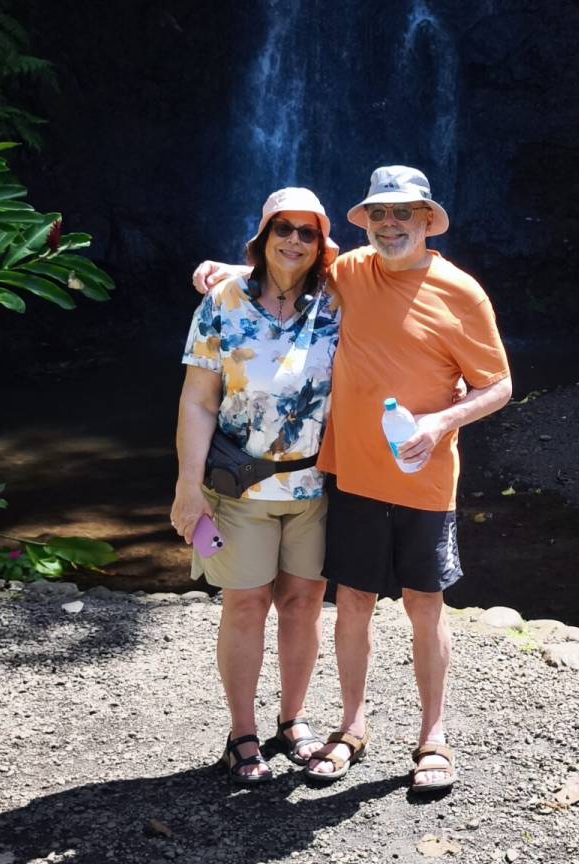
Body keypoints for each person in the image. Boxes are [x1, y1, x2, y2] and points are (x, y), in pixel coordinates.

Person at [192, 165, 511, 793]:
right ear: (366, 222)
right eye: (379, 215)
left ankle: (433, 740)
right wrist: (225, 273)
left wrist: (442, 420)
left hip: (424, 481)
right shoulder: (348, 273)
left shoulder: (462, 292)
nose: (391, 225)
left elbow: (499, 385)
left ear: (427, 219)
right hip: (354, 478)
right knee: (354, 605)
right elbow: (283, 269)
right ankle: (350, 728)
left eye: (404, 214)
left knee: (425, 605)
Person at [171, 187, 342, 784]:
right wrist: (187, 489)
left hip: (314, 489)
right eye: (282, 229)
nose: (293, 239)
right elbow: (198, 401)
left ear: (322, 243)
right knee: (245, 605)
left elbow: (393, 272)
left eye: (307, 232)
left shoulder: (340, 299)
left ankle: (292, 720)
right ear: (262, 234)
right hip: (241, 488)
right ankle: (242, 733)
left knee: (303, 608)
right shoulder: (223, 301)